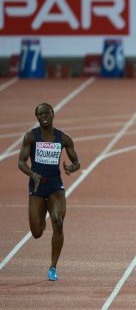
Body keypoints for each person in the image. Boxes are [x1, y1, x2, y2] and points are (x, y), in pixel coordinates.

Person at [17, 103, 81, 281]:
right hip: (37, 186)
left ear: (53, 114)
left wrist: (71, 168)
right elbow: (21, 162)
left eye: (46, 113)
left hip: (55, 186)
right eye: (39, 114)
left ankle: (53, 267)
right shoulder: (31, 136)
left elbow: (77, 162)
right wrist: (32, 174)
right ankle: (43, 213)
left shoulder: (63, 138)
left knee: (58, 221)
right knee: (36, 232)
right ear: (36, 117)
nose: (43, 116)